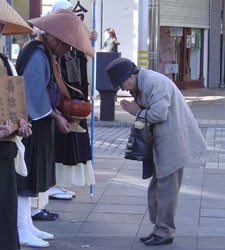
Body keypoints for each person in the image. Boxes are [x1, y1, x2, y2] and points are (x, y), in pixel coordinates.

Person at [106, 58, 207, 246]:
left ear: (130, 76)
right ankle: (159, 228)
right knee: (157, 187)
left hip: (174, 142)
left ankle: (165, 231)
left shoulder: (154, 82)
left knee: (167, 188)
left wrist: (137, 112)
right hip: (163, 141)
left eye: (121, 83)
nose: (122, 89)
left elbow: (159, 114)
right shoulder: (142, 84)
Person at [15, 9, 94, 247]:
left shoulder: (41, 51)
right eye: (67, 45)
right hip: (31, 125)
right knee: (26, 179)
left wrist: (56, 113)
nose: (67, 50)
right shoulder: (38, 53)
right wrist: (56, 116)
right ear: (56, 39)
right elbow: (34, 93)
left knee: (33, 176)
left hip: (37, 124)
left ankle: (26, 224)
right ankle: (21, 228)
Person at [45, 0, 95, 201]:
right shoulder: (47, 44)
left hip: (72, 100)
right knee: (58, 143)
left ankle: (59, 183)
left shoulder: (68, 42)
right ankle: (51, 184)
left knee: (70, 143)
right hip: (58, 103)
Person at [0, 1, 32, 249]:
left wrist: (23, 125)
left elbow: (17, 108)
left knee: (5, 217)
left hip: (4, 152)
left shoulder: (5, 62)